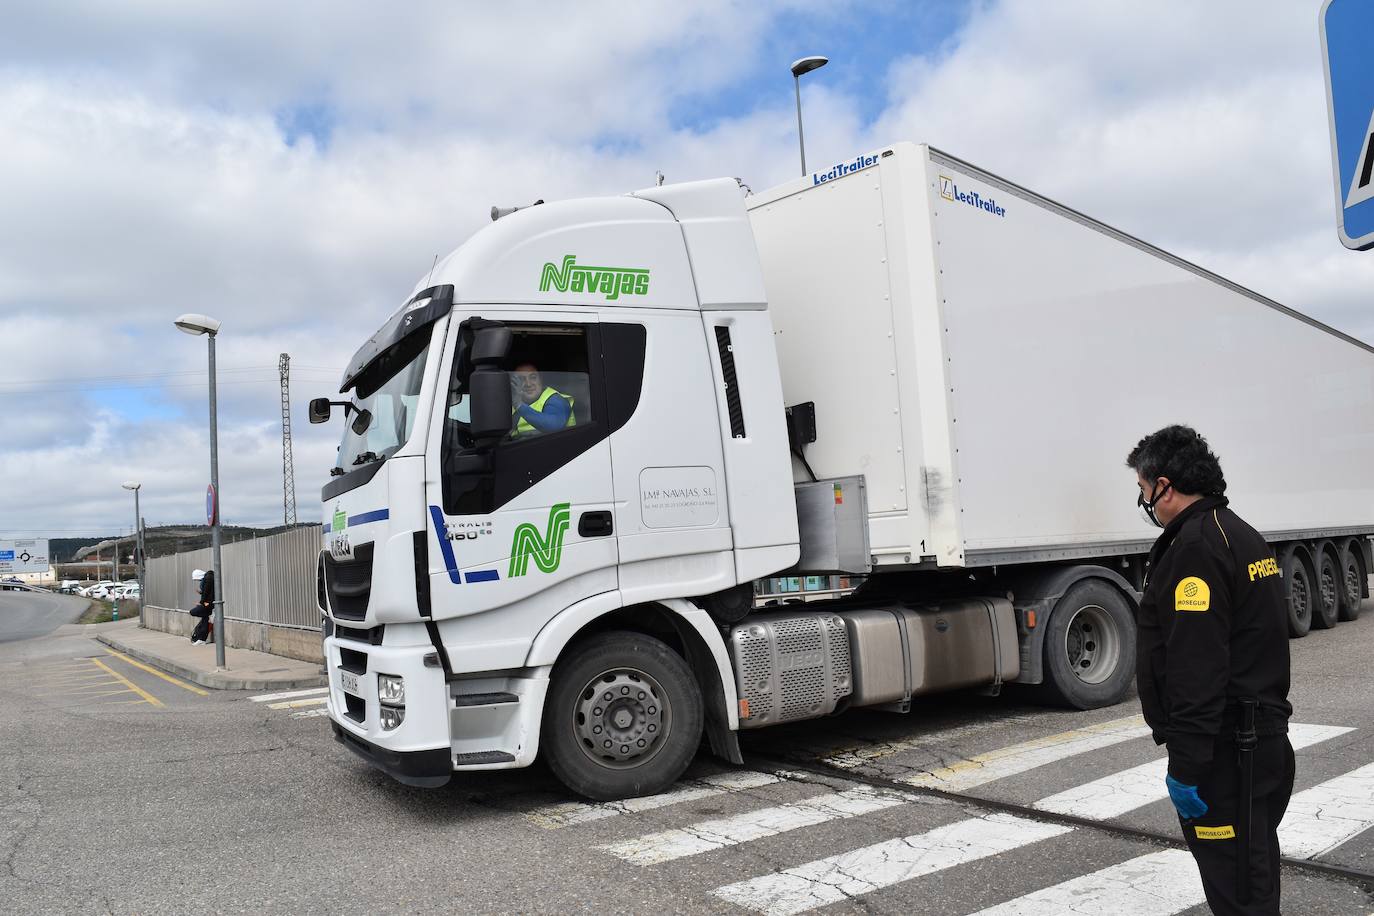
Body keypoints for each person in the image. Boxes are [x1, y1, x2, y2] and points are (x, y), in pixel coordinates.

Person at [1127, 425, 1293, 915]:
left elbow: (1195, 665)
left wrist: (1188, 765)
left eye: (1142, 490)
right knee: (1252, 869)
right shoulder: (1237, 532)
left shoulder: (1197, 546)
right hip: (1260, 741)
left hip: (1227, 755)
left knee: (1239, 888)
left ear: (1164, 485)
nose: (1144, 502)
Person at [510, 362, 575, 438]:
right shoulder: (514, 400)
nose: (528, 384)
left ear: (541, 379)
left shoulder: (556, 400)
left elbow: (554, 427)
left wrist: (519, 405)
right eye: (522, 379)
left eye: (533, 377)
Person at [189, 568, 215, 646]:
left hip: (208, 603)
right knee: (205, 619)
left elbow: (206, 593)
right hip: (208, 602)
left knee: (193, 612)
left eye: (197, 579)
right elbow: (208, 592)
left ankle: (201, 639)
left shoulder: (208, 579)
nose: (198, 581)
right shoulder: (207, 578)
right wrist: (201, 593)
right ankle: (202, 639)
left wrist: (201, 603)